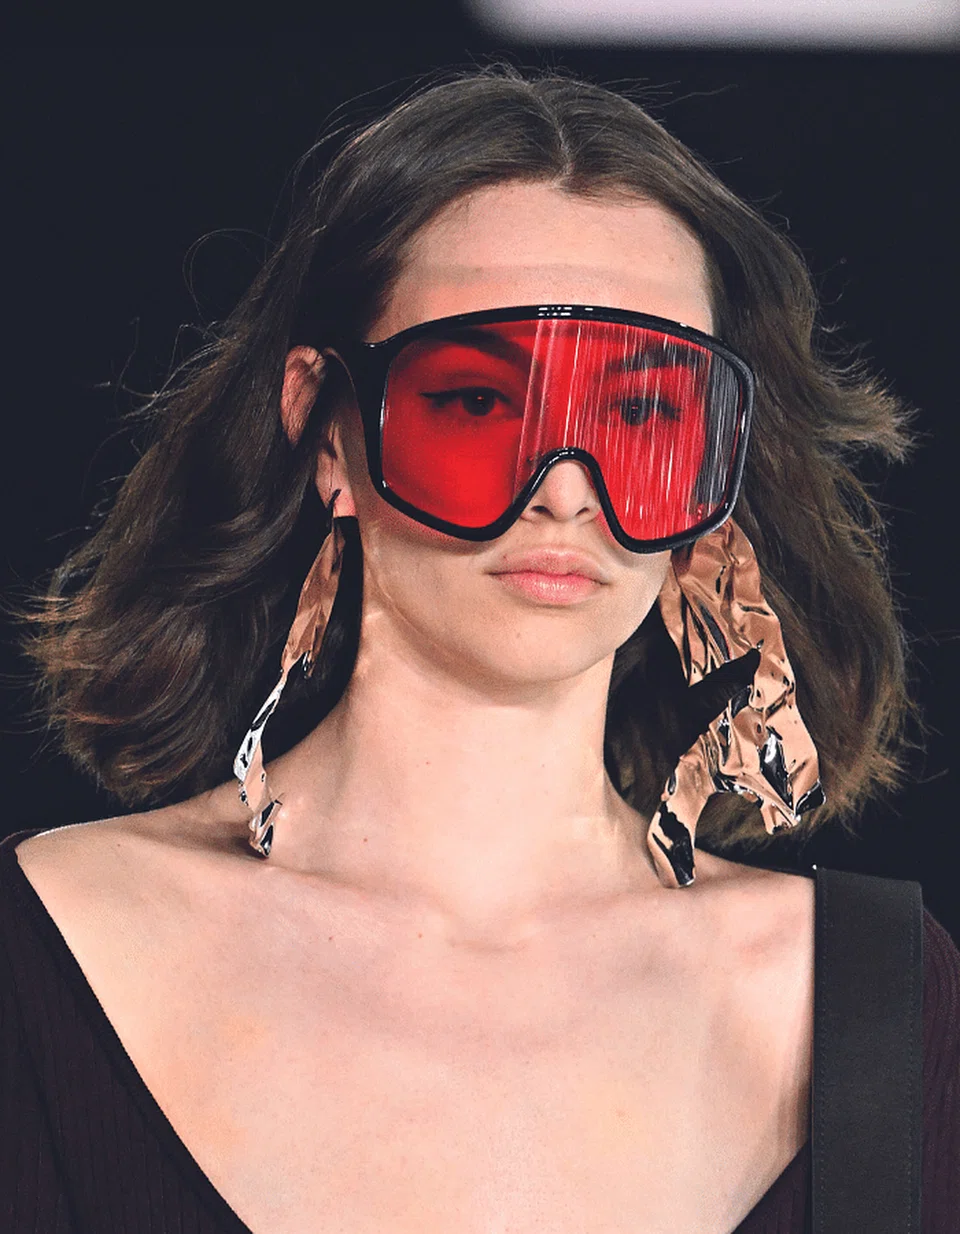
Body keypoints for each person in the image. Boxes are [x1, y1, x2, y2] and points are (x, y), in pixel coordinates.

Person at [1, 67, 956, 1234]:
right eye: (476, 401)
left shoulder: (865, 998)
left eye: (644, 413)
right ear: (326, 429)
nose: (565, 493)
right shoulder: (47, 947)